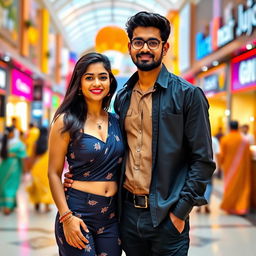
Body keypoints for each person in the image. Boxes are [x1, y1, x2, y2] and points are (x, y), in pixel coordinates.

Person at [65, 12, 215, 256]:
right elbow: (113, 149)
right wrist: (80, 175)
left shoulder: (188, 95)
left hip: (168, 217)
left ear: (165, 48)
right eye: (138, 42)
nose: (145, 48)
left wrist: (180, 213)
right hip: (126, 215)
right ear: (129, 47)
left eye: (153, 42)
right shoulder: (122, 97)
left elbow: (203, 161)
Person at [48, 53, 124, 256]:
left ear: (110, 81)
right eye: (89, 77)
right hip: (77, 213)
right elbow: (53, 173)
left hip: (111, 217)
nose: (96, 83)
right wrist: (67, 217)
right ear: (79, 83)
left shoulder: (118, 121)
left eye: (102, 76)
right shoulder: (66, 121)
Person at [220, 120, 251, 215]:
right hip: (242, 168)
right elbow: (248, 154)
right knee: (242, 188)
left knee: (230, 187)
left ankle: (230, 206)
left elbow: (222, 155)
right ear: (238, 127)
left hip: (229, 168)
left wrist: (221, 165)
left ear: (229, 127)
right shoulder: (244, 140)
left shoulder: (225, 139)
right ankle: (241, 207)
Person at [0, 126, 27, 215]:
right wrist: (25, 170)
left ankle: (9, 205)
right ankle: (7, 207)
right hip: (14, 167)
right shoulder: (18, 144)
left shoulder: (3, 143)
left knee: (4, 185)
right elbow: (23, 157)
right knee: (11, 186)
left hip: (4, 166)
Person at [27, 127, 54, 212]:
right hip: (46, 167)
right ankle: (46, 206)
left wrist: (29, 167)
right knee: (46, 186)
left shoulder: (35, 143)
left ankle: (37, 203)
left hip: (37, 166)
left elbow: (32, 156)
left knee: (37, 185)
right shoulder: (50, 142)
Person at [196, 136, 220, 214]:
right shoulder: (214, 140)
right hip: (211, 166)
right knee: (209, 185)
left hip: (199, 165)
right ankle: (206, 205)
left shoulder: (199, 138)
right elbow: (218, 154)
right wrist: (218, 166)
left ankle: (199, 205)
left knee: (199, 185)